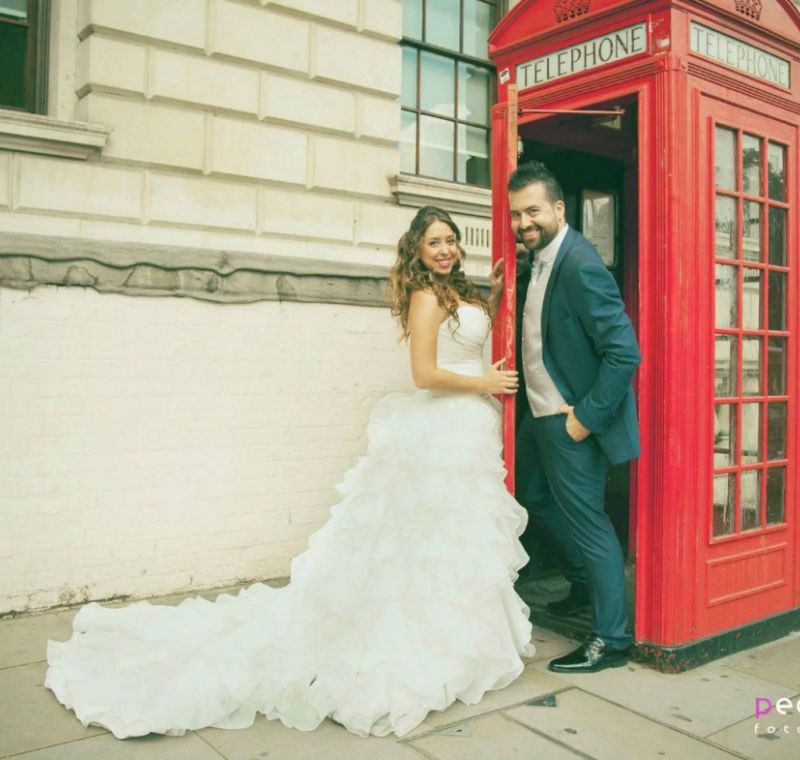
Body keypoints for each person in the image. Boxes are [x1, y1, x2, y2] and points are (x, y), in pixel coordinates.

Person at [44, 206, 535, 740]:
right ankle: (416, 641)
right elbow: (423, 373)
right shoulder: (423, 296)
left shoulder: (455, 291)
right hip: (440, 429)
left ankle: (454, 636)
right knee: (423, 543)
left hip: (466, 432)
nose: (445, 250)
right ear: (416, 249)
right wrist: (484, 384)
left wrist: (496, 295)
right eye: (434, 242)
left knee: (450, 542)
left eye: (451, 240)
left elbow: (466, 339)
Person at [509, 161, 641, 673]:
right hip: (537, 414)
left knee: (590, 524)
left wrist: (585, 418)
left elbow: (624, 352)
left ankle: (611, 639)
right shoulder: (540, 260)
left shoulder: (581, 263)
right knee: (532, 498)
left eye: (533, 211)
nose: (524, 222)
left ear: (559, 209)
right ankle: (583, 583)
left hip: (570, 420)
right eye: (517, 214)